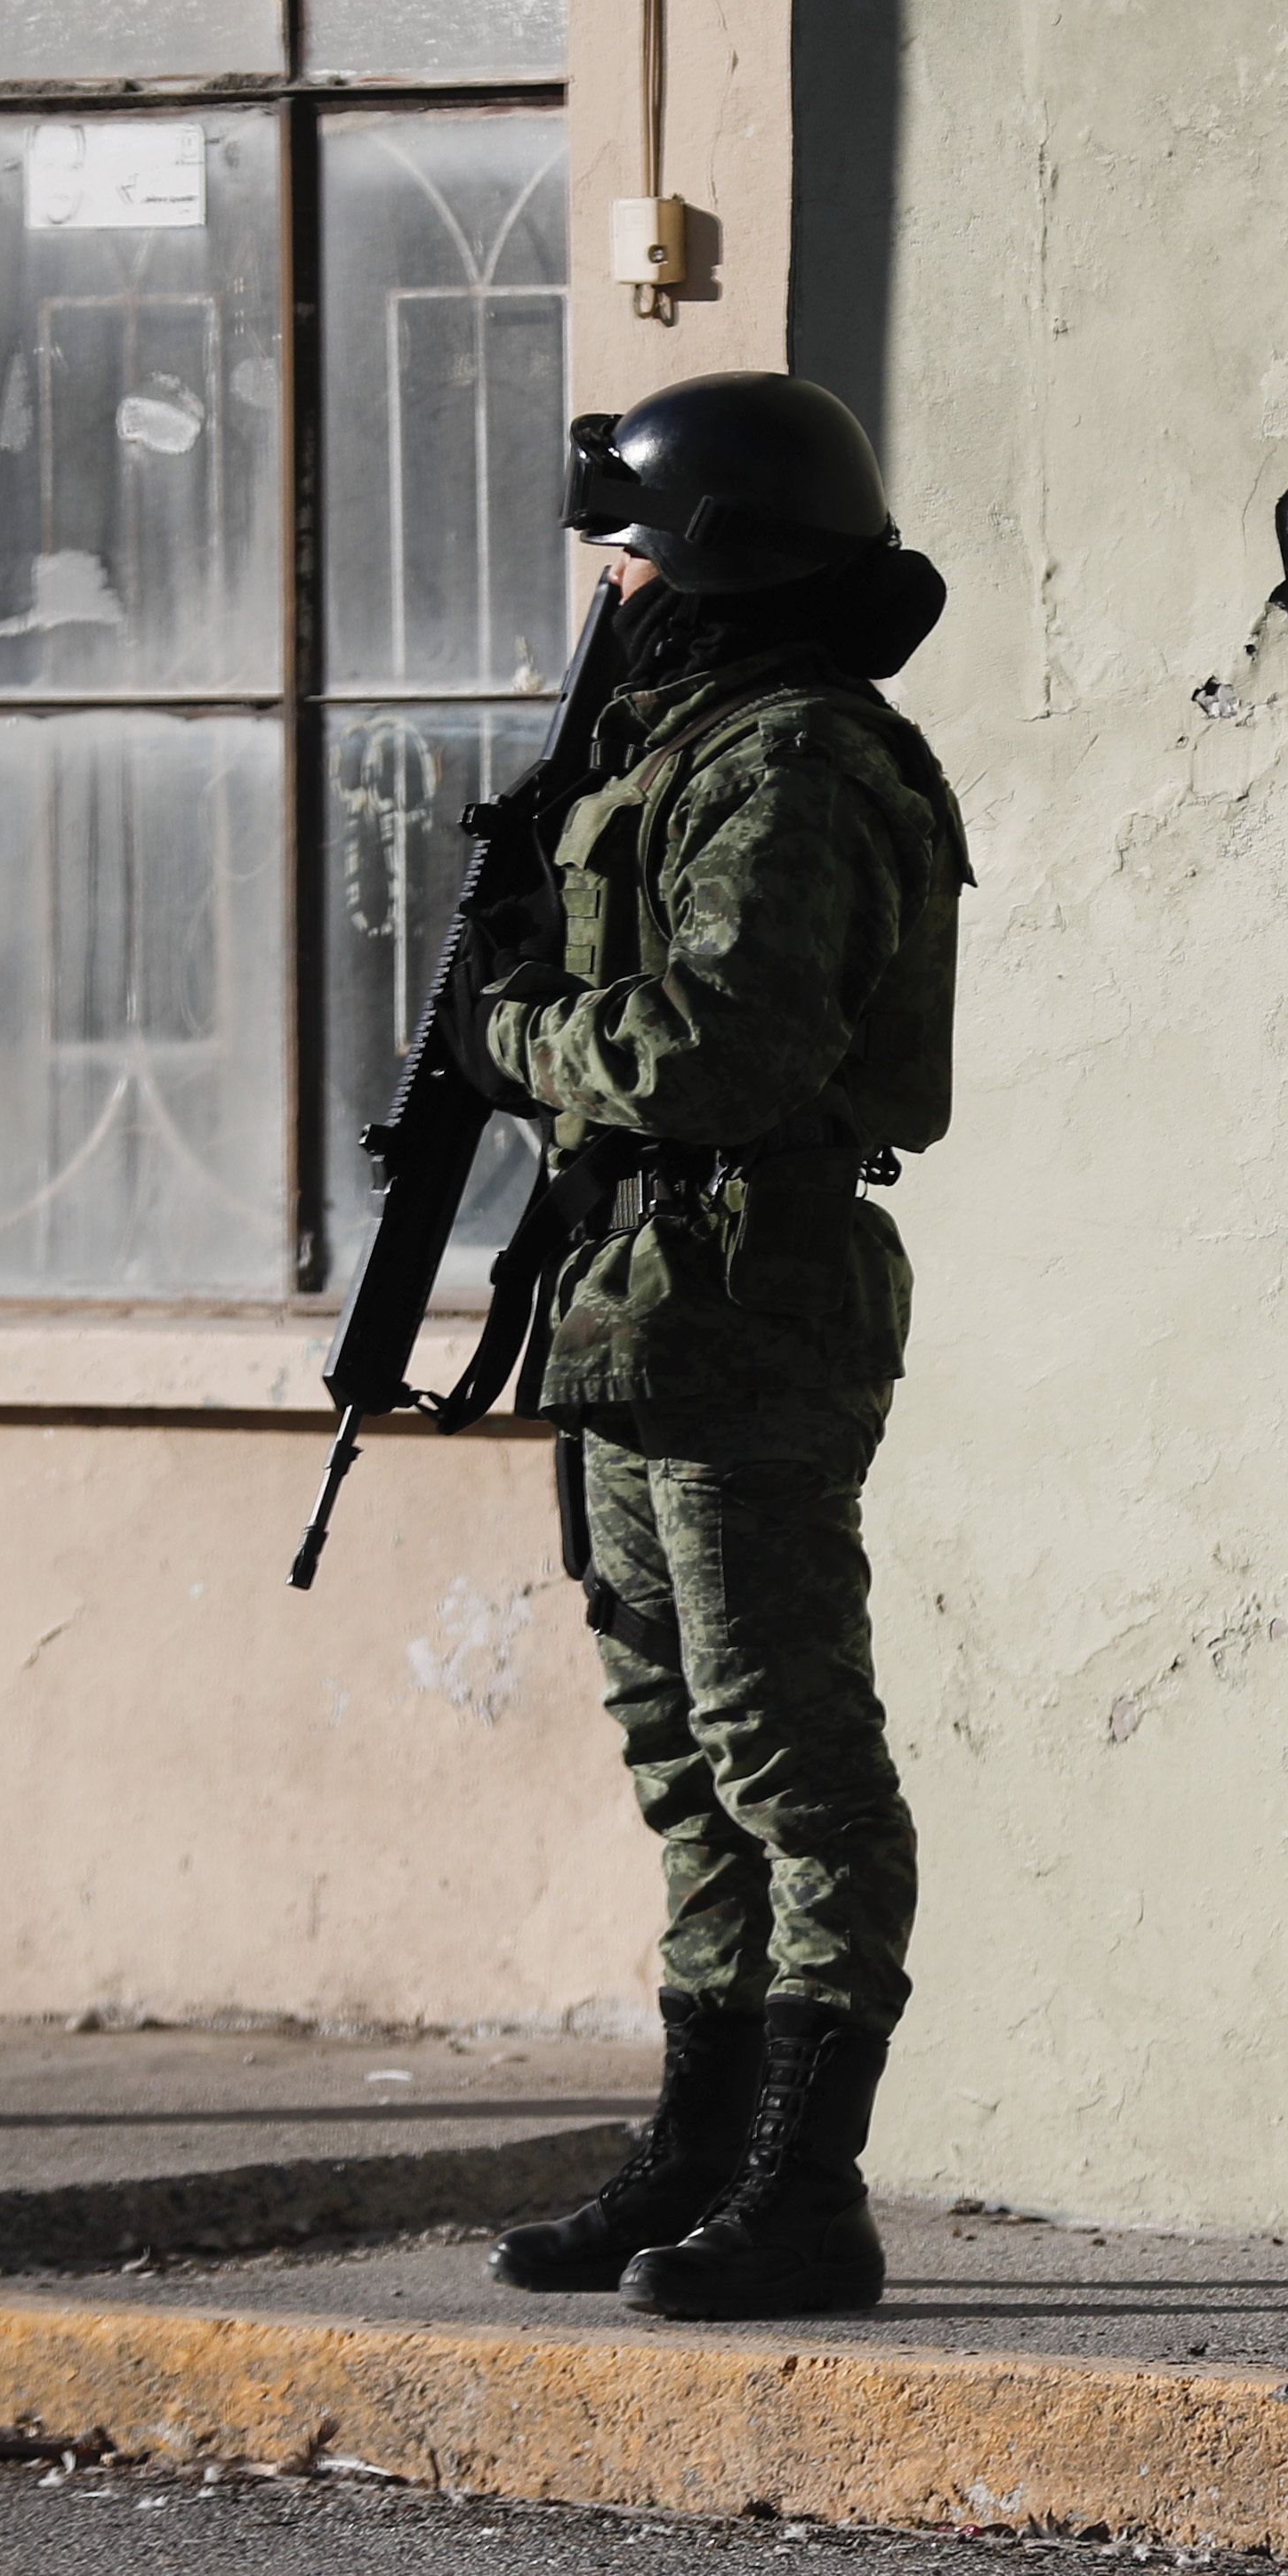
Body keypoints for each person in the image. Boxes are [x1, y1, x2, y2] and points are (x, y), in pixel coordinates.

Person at [475, 372, 969, 2320]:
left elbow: (714, 1048)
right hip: (630, 1307)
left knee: (789, 1755)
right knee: (680, 1754)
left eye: (638, 548)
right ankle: (696, 2149)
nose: (614, 583)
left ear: (718, 562)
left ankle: (803, 2184)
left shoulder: (798, 762)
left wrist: (508, 1032)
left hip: (744, 1308)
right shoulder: (668, 748)